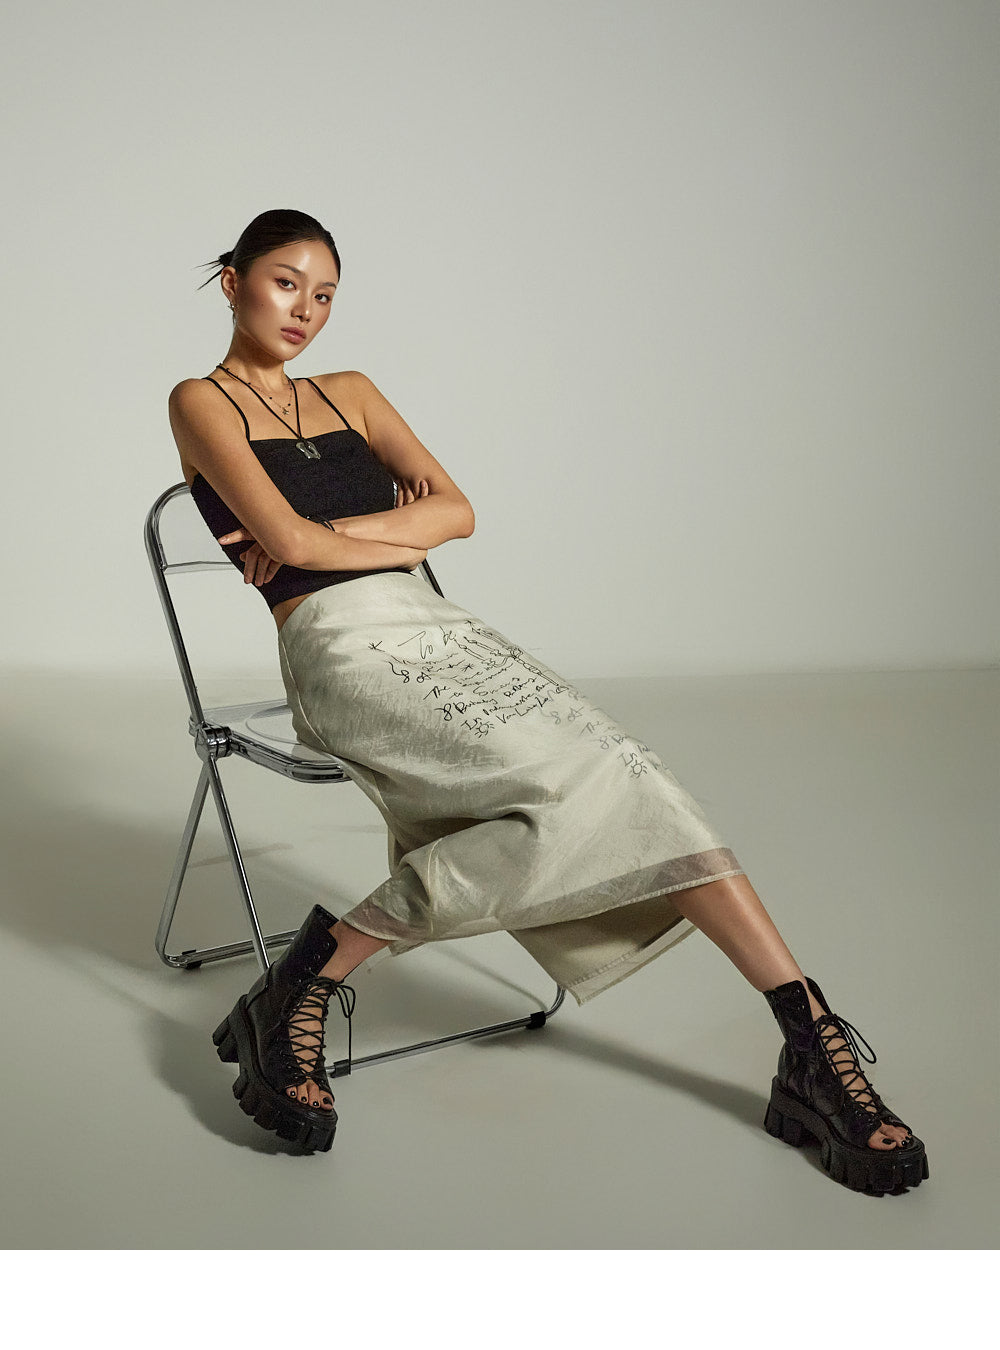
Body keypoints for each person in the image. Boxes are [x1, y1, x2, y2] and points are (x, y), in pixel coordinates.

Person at [167, 208, 926, 1194]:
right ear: (233, 282)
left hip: (442, 629)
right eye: (284, 283)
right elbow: (296, 548)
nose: (305, 309)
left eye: (324, 294)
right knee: (569, 794)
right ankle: (305, 985)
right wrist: (387, 530)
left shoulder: (350, 391)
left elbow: (456, 513)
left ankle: (809, 1043)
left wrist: (339, 535)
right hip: (338, 648)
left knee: (626, 771)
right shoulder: (199, 402)